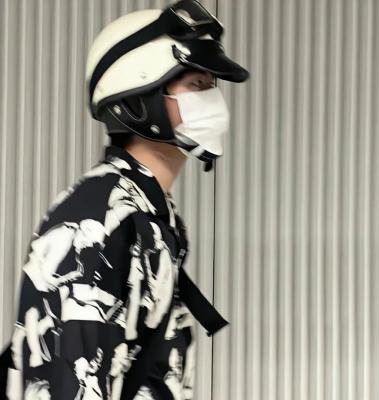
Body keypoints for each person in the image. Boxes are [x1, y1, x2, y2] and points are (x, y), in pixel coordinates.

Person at [0, 0, 249, 398]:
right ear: (139, 97)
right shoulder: (98, 221)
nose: (213, 101)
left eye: (211, 86)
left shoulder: (149, 211)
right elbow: (75, 382)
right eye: (197, 85)